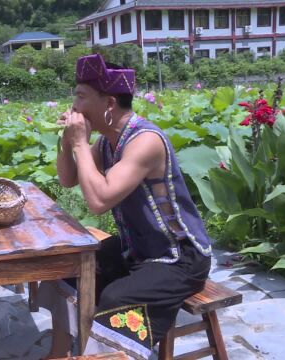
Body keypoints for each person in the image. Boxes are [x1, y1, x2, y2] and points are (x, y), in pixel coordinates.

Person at [38, 54, 212, 360]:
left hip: (179, 257)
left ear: (109, 103)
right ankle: (59, 354)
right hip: (139, 250)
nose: (74, 106)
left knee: (117, 297)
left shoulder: (145, 140)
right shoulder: (107, 142)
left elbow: (98, 202)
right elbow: (68, 179)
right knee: (67, 268)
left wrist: (80, 144)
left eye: (80, 96)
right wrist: (67, 142)